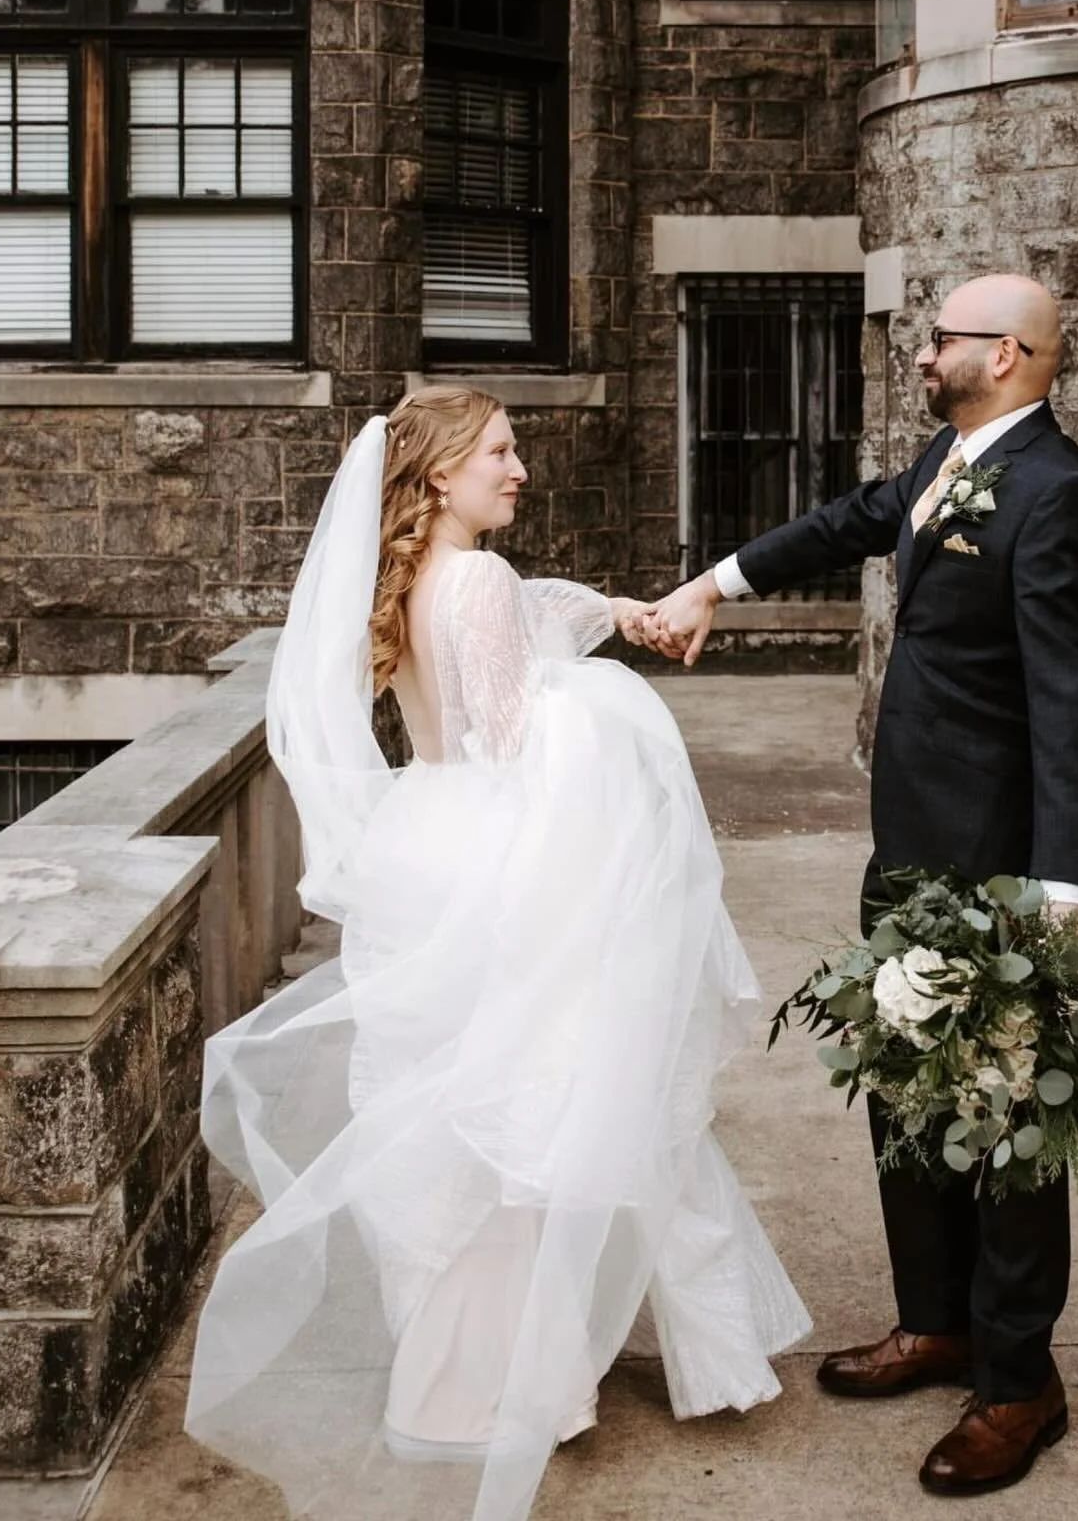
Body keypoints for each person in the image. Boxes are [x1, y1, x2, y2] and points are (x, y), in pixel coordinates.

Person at [185, 387, 809, 1521]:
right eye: (500, 453)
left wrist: (613, 614)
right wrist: (617, 715)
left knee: (471, 1114)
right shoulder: (472, 580)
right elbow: (528, 746)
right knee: (533, 1109)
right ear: (437, 476)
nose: (521, 469)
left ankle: (480, 1370)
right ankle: (491, 1386)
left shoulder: (434, 580)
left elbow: (539, 618)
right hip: (503, 856)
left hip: (433, 837)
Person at [644, 273, 1078, 1498]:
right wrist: (714, 583)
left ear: (1007, 354)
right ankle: (935, 1322)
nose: (922, 353)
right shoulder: (942, 457)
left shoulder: (1057, 495)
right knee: (908, 1094)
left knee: (1009, 1115)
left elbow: (1073, 698)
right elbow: (846, 520)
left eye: (943, 338)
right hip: (906, 849)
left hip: (998, 863)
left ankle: (1018, 1384)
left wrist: (1069, 881)